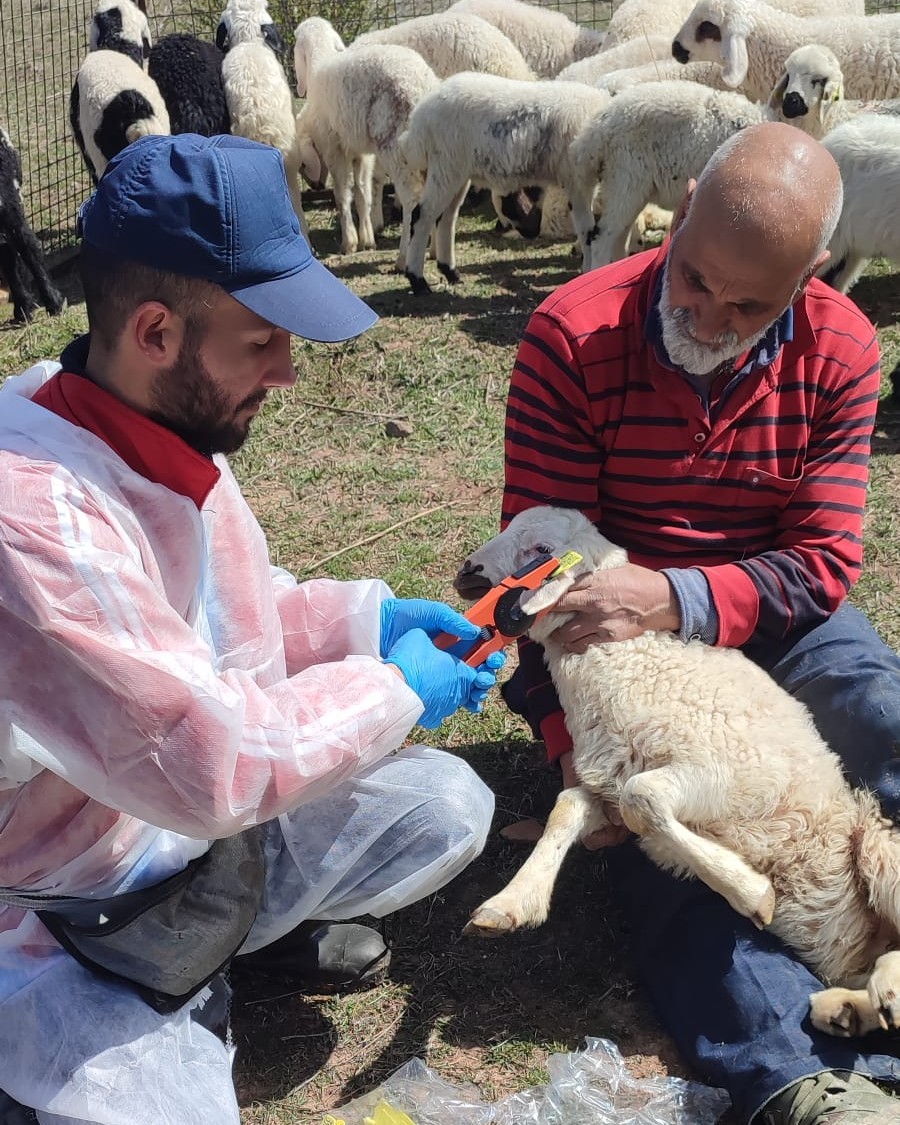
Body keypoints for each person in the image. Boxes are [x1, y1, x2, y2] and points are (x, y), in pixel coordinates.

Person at [0, 132, 505, 1124]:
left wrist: (364, 624)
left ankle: (228, 944)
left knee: (441, 806)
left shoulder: (155, 421)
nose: (287, 372)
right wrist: (392, 689)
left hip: (168, 832)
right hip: (60, 896)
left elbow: (224, 614)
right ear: (155, 332)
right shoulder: (36, 521)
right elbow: (208, 763)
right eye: (262, 340)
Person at [499, 121, 900, 1125]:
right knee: (669, 845)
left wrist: (677, 595)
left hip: (775, 617)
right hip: (623, 649)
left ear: (814, 271)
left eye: (750, 304)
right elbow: (542, 571)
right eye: (694, 279)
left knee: (879, 713)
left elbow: (821, 561)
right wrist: (573, 745)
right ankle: (813, 1077)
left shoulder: (842, 346)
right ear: (679, 213)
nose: (710, 317)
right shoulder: (572, 334)